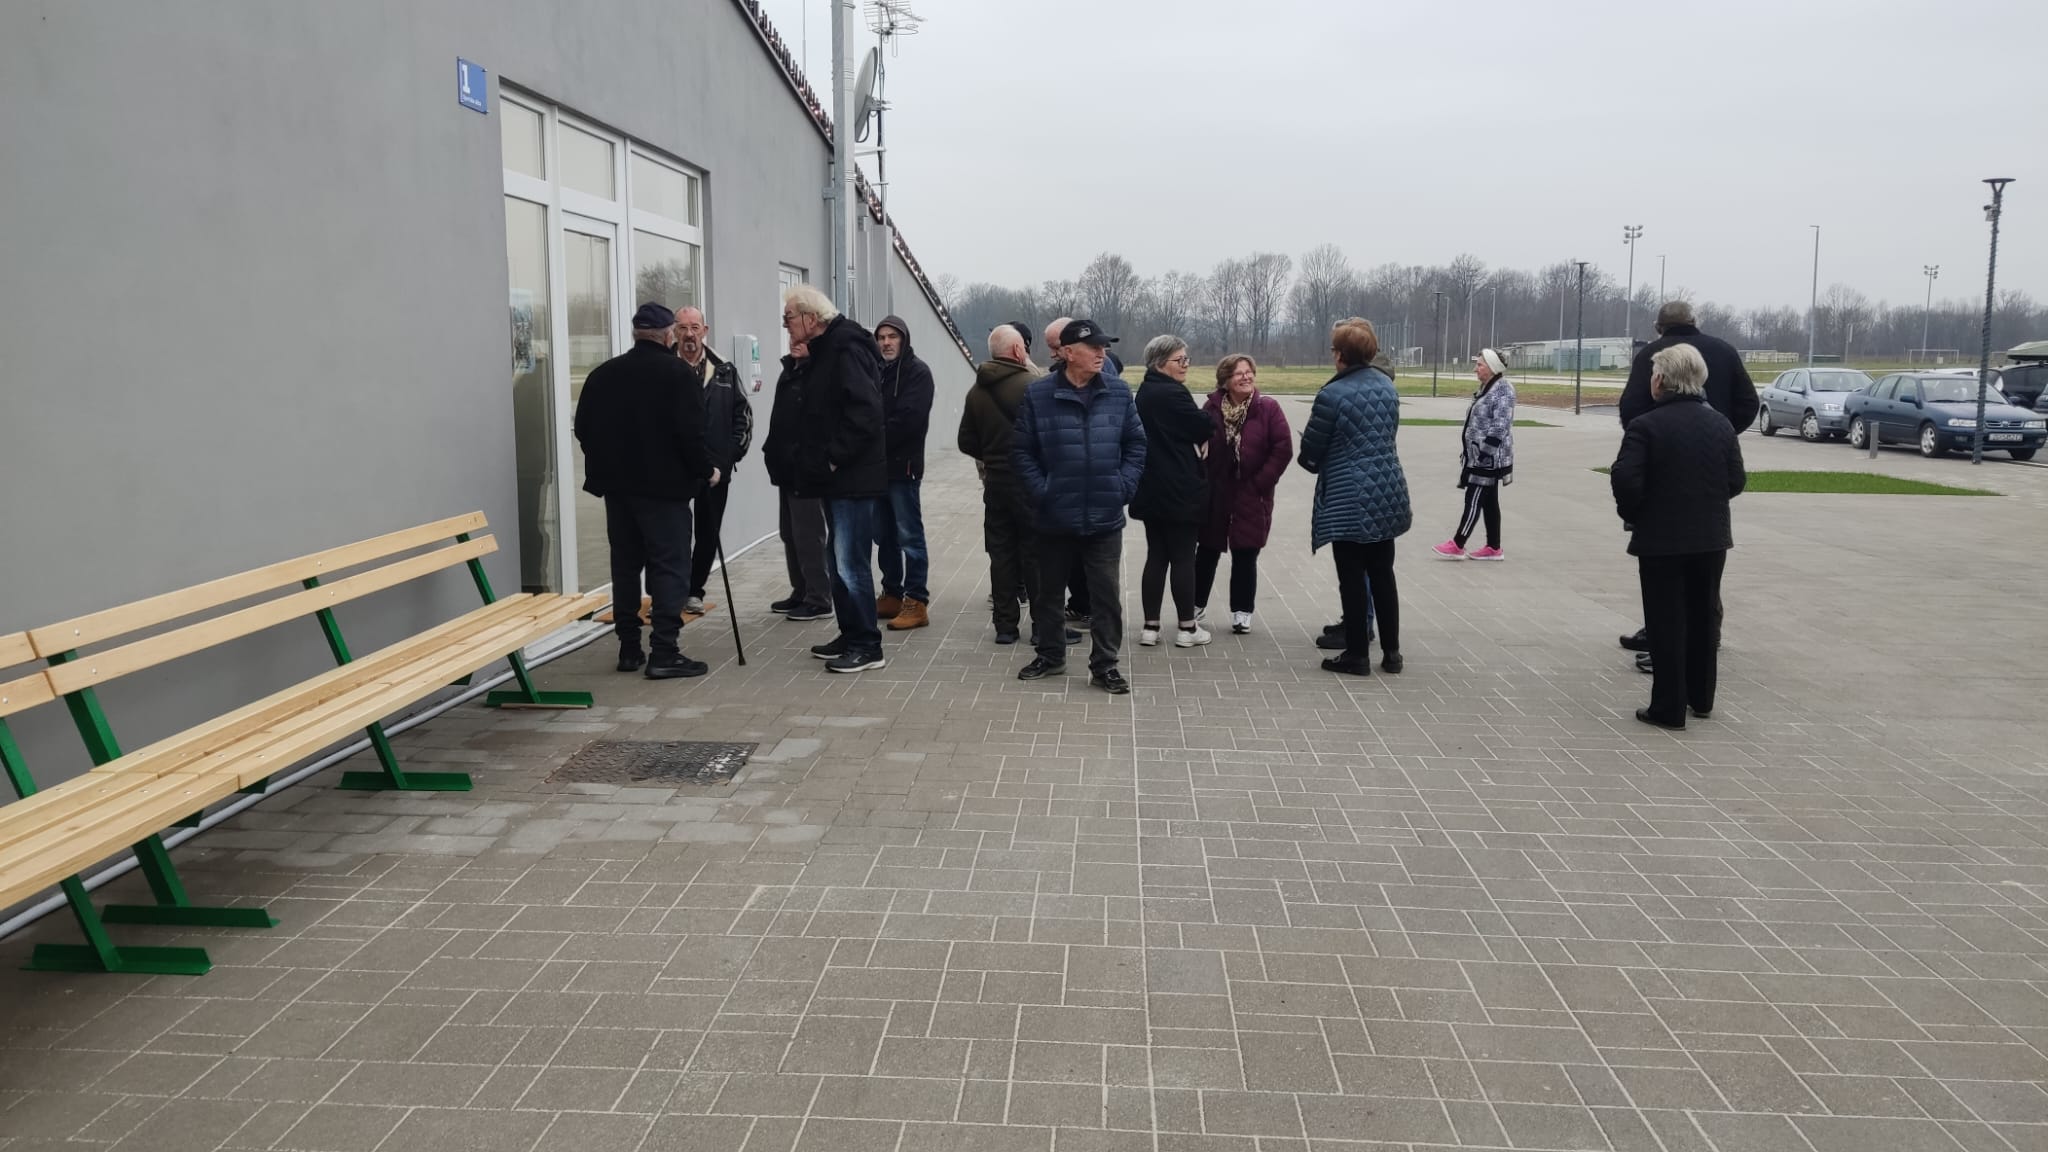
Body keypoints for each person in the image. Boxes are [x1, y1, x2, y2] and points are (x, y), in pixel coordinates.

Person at [572, 302, 718, 679]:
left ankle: (629, 648)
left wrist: (609, 462)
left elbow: (583, 428)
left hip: (619, 492)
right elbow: (692, 434)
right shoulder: (679, 374)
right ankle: (664, 651)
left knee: (625, 566)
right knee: (670, 567)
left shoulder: (604, 374)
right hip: (666, 492)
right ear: (668, 335)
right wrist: (707, 471)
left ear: (636, 334)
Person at [1610, 344, 1746, 730]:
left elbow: (1625, 478)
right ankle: (1701, 697)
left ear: (1660, 381)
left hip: (1662, 539)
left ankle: (1668, 707)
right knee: (1703, 616)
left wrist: (1635, 513)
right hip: (1711, 537)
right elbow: (1736, 480)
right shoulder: (1720, 425)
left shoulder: (1645, 426)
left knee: (1665, 620)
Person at [1616, 302, 1757, 667]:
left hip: (1662, 471)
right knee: (1705, 561)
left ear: (1659, 327)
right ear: (1695, 322)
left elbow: (1630, 409)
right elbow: (1748, 403)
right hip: (1711, 471)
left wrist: (1649, 436)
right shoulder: (1724, 351)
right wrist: (1721, 432)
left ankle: (1665, 640)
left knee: (1664, 566)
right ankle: (1706, 638)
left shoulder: (1652, 355)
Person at [1013, 319, 1146, 693]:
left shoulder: (1118, 392)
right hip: (1054, 515)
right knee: (1049, 593)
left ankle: (1105, 665)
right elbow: (1021, 451)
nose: (1102, 353)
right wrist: (1043, 491)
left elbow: (1136, 444)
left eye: (1104, 346)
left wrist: (1123, 486)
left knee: (1105, 598)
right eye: (1094, 347)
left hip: (1104, 515)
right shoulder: (1038, 394)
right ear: (1068, 353)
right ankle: (1050, 655)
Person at [781, 285, 890, 673]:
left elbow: (865, 412)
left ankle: (868, 646)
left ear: (811, 318)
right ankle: (850, 633)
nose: (786, 325)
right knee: (837, 560)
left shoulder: (846, 347)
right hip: (836, 479)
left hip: (852, 478)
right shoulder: (826, 349)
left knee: (851, 563)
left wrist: (832, 459)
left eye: (788, 317)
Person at [1297, 318, 1410, 677]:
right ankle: (1392, 653)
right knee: (1383, 575)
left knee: (1352, 576)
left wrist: (1312, 459)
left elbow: (1311, 450)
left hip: (1348, 495)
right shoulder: (1387, 387)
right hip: (1387, 489)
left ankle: (1357, 654)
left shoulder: (1332, 394)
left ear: (1340, 355)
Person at [1196, 354, 1291, 634]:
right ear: (1226, 380)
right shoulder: (1211, 409)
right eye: (1239, 373)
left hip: (1252, 493)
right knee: (1207, 550)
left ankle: (1242, 611)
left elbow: (1282, 449)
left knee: (1246, 552)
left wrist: (1261, 483)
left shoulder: (1267, 408)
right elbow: (1198, 444)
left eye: (1249, 372)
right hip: (1217, 493)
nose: (1246, 377)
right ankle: (1195, 605)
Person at [1129, 336, 1213, 648]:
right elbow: (1202, 424)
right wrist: (1205, 428)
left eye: (1186, 359)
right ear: (1160, 362)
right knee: (1182, 557)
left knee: (1156, 555)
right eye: (1180, 360)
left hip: (1151, 486)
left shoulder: (1145, 391)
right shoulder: (1172, 393)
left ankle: (1150, 627)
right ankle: (1187, 628)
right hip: (1178, 486)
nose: (1186, 365)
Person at [960, 324, 1041, 645]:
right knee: (1035, 554)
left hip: (995, 482)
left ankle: (1005, 627)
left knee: (1001, 553)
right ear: (1019, 350)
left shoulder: (976, 391)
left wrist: (992, 457)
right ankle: (1042, 626)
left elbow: (966, 441)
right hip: (1030, 483)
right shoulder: (1034, 387)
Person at [674, 307, 753, 614]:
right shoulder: (665, 367)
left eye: (695, 327)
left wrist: (728, 457)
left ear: (704, 331)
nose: (689, 334)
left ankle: (694, 591)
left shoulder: (724, 370)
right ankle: (671, 591)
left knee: (708, 533)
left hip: (715, 471)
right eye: (682, 327)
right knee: (674, 534)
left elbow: (743, 417)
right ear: (674, 331)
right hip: (675, 470)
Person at [762, 339, 833, 623]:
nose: (795, 343)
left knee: (809, 535)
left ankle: (819, 598)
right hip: (786, 467)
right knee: (789, 533)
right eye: (792, 337)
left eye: (802, 340)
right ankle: (801, 590)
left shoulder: (819, 373)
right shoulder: (789, 370)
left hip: (807, 468)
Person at [873, 315, 935, 631]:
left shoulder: (917, 372)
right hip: (877, 469)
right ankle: (892, 593)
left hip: (904, 468)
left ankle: (916, 600)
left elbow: (909, 420)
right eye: (881, 337)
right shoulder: (876, 371)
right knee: (884, 536)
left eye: (892, 336)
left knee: (909, 535)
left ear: (903, 339)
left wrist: (870, 440)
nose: (886, 342)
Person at [1433, 348, 1515, 561]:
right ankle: (1494, 548)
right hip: (1478, 455)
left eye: (1479, 365)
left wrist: (1485, 453)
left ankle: (1458, 544)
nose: (1475, 369)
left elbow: (1500, 425)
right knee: (1490, 502)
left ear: (1492, 367)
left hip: (1488, 459)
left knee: (1474, 498)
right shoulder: (1487, 387)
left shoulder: (1503, 389)